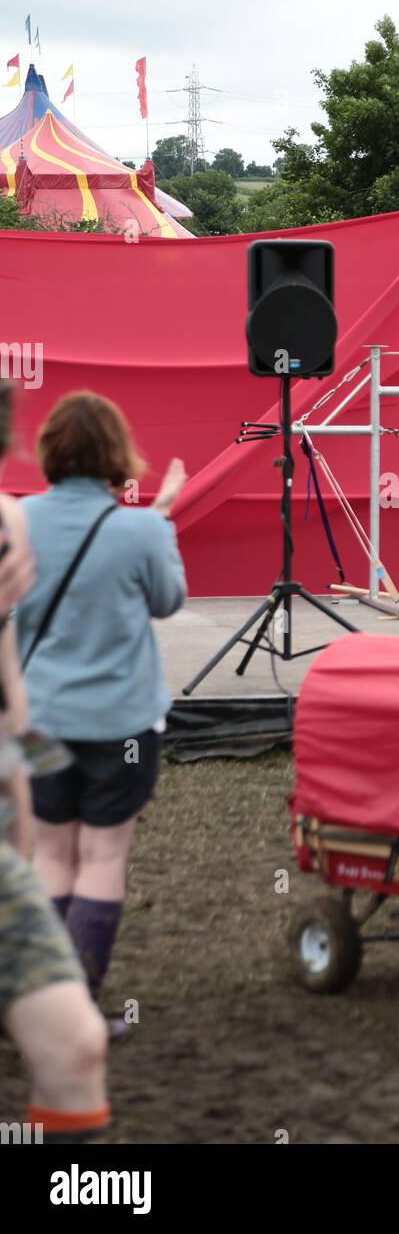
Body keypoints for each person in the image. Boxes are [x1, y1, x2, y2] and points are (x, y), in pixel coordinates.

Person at [18, 392, 187, 1034]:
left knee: (50, 856)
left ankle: (33, 1001)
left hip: (39, 720)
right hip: (121, 725)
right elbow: (168, 601)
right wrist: (162, 517)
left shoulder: (17, 520)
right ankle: (74, 1011)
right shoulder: (141, 527)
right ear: (118, 455)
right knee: (102, 857)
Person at [0, 381, 110, 1143]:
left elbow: (11, 697)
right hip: (110, 727)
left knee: (76, 1045)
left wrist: (20, 827)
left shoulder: (14, 524)